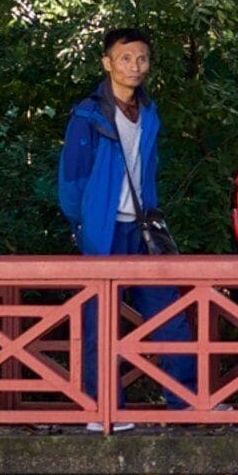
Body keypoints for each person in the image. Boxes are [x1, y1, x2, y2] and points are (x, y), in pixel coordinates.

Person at [61, 27, 175, 421]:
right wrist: (85, 228)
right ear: (107, 63)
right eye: (125, 58)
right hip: (103, 230)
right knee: (101, 322)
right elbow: (72, 181)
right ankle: (103, 409)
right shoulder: (88, 116)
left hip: (142, 228)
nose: (135, 66)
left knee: (169, 313)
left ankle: (188, 401)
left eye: (142, 58)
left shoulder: (149, 111)